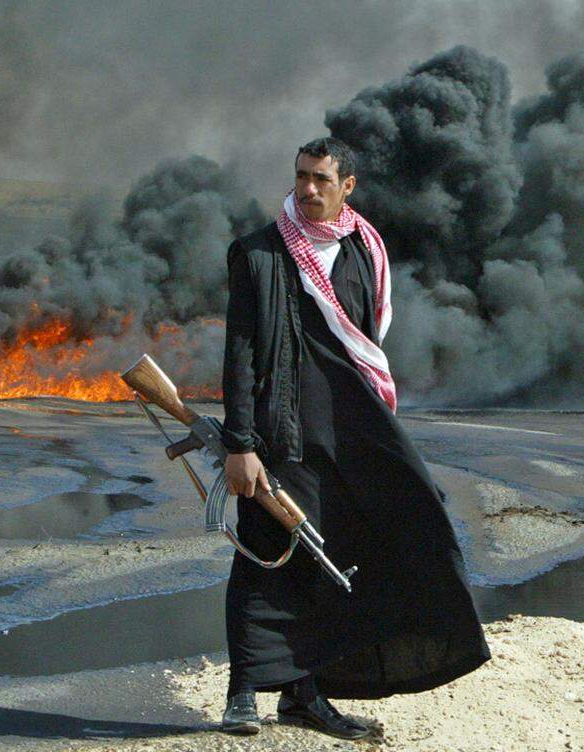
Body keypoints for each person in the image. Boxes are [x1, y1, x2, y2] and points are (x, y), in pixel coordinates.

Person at [218, 137, 489, 738]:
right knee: (266, 556)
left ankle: (306, 692)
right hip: (281, 436)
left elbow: (366, 348)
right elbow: (240, 354)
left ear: (348, 187)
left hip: (352, 433)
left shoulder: (365, 252)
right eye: (300, 177)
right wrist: (240, 444)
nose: (307, 189)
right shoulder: (259, 254)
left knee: (359, 545)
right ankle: (242, 692)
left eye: (320, 179)